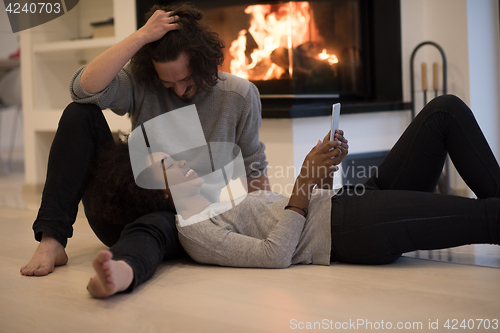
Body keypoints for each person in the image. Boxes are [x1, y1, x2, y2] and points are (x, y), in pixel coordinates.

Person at [84, 95, 499, 298]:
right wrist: (303, 182)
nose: (183, 162)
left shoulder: (215, 196)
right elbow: (275, 254)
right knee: (486, 217)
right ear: (157, 196)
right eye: (170, 168)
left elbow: (289, 214)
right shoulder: (195, 230)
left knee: (445, 111)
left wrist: (322, 171)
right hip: (350, 229)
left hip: (348, 202)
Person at [20, 3, 271, 277]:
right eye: (168, 84)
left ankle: (122, 271)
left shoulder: (240, 95)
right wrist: (140, 37)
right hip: (125, 211)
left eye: (187, 80)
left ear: (204, 62)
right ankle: (52, 239)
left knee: (159, 224)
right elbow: (82, 90)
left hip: (186, 222)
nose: (179, 90)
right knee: (79, 113)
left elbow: (253, 167)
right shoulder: (142, 83)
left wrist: (264, 226)